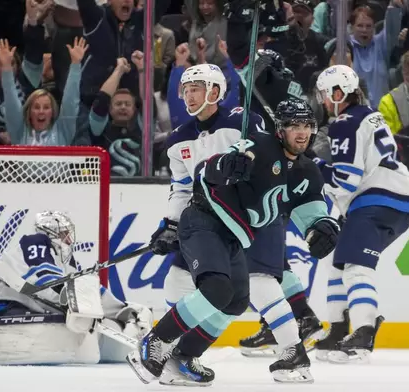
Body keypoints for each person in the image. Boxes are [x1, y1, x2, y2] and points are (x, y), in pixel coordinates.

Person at [128, 86, 340, 385]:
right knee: (217, 287)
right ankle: (157, 341)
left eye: (307, 125)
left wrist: (323, 228)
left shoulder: (307, 171)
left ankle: (182, 358)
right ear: (279, 129)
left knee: (235, 300)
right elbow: (205, 171)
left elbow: (313, 214)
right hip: (204, 220)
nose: (301, 132)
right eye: (293, 125)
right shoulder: (257, 147)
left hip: (235, 237)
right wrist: (224, 167)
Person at [0, 211, 153, 366]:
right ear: (53, 233)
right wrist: (79, 303)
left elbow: (83, 292)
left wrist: (121, 310)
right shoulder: (36, 242)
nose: (69, 240)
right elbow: (47, 282)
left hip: (18, 307)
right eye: (65, 234)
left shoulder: (66, 264)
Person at [312, 65, 409, 363]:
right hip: (393, 200)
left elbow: (346, 179)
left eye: (323, 94)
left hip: (376, 201)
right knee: (339, 264)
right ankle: (338, 329)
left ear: (337, 92)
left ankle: (364, 330)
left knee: (357, 267)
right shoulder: (369, 114)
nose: (322, 101)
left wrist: (314, 167)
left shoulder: (345, 121)